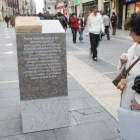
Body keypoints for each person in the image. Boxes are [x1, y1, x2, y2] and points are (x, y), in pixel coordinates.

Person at [117, 13, 140, 109]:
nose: (129, 34)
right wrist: (123, 59)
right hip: (128, 100)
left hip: (136, 104)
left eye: (132, 30)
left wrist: (139, 98)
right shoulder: (134, 47)